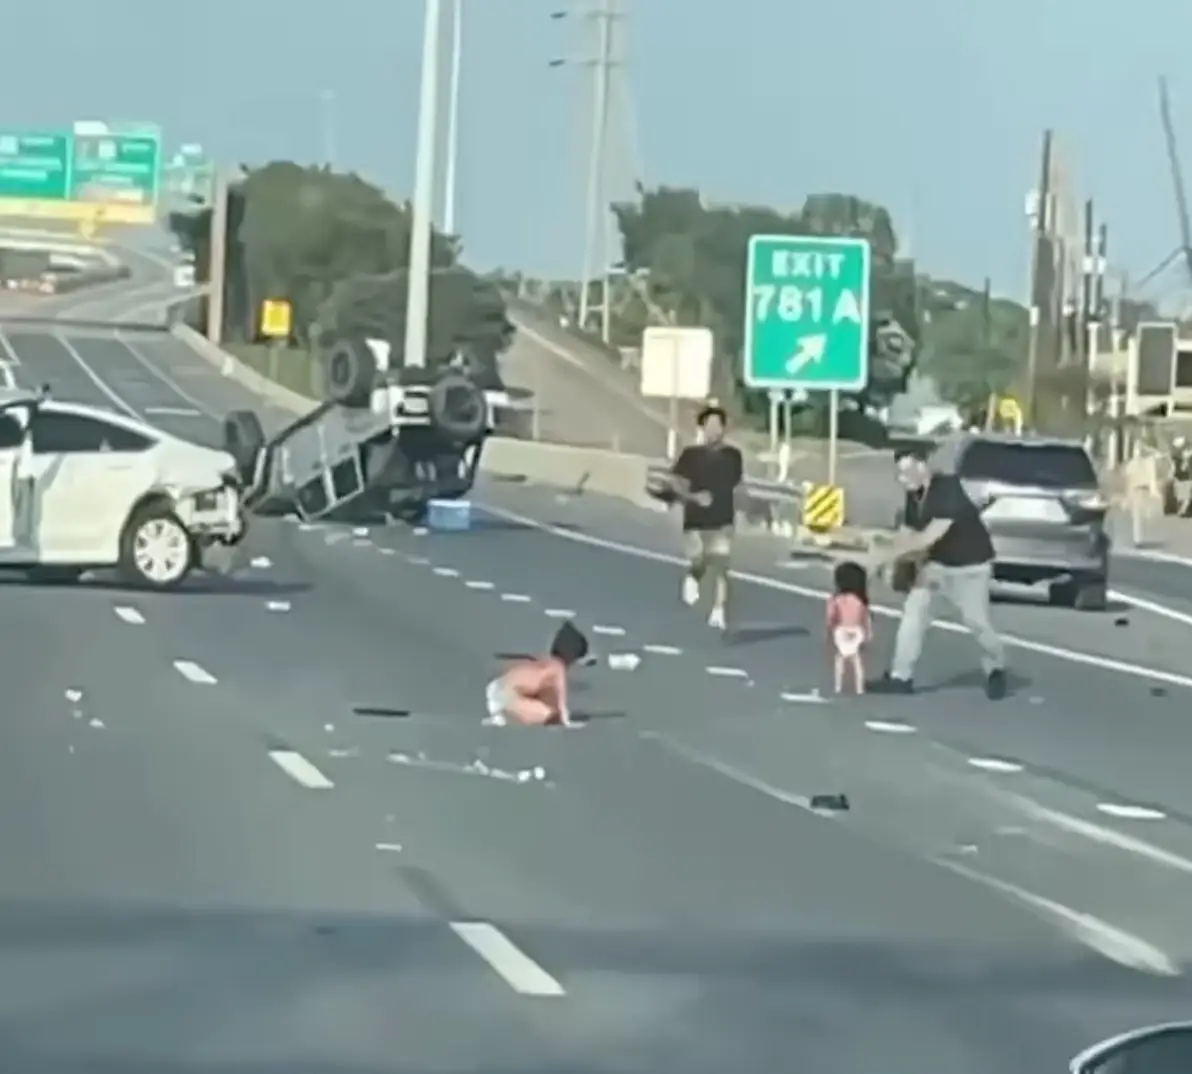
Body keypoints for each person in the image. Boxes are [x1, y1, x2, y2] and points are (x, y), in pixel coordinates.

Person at [871, 445, 1007, 700]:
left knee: (977, 622)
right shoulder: (914, 495)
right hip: (937, 567)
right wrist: (892, 558)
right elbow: (908, 532)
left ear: (924, 466)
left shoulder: (947, 490)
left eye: (908, 472)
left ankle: (996, 667)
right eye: (900, 474)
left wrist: (886, 555)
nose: (903, 480)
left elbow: (927, 538)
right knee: (914, 612)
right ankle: (901, 676)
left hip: (970, 568)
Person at [667, 402, 744, 630]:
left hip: (722, 520)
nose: (713, 430)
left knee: (720, 565)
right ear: (702, 428)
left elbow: (736, 484)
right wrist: (693, 497)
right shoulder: (690, 455)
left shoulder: (733, 456)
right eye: (709, 425)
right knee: (700, 560)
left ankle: (719, 611)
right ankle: (693, 577)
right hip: (695, 520)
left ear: (723, 429)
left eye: (717, 425)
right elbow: (676, 484)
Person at [483, 621, 589, 727]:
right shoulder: (557, 668)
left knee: (535, 699)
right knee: (549, 714)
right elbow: (559, 701)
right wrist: (565, 719)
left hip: (497, 686)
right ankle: (503, 716)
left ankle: (501, 713)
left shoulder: (545, 661)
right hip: (509, 697)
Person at [826, 561, 871, 695]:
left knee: (840, 658)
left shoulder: (836, 600)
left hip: (842, 630)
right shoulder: (860, 601)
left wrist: (829, 630)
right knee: (856, 660)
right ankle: (859, 687)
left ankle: (838, 685)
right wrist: (868, 633)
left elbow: (831, 617)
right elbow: (865, 618)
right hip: (857, 631)